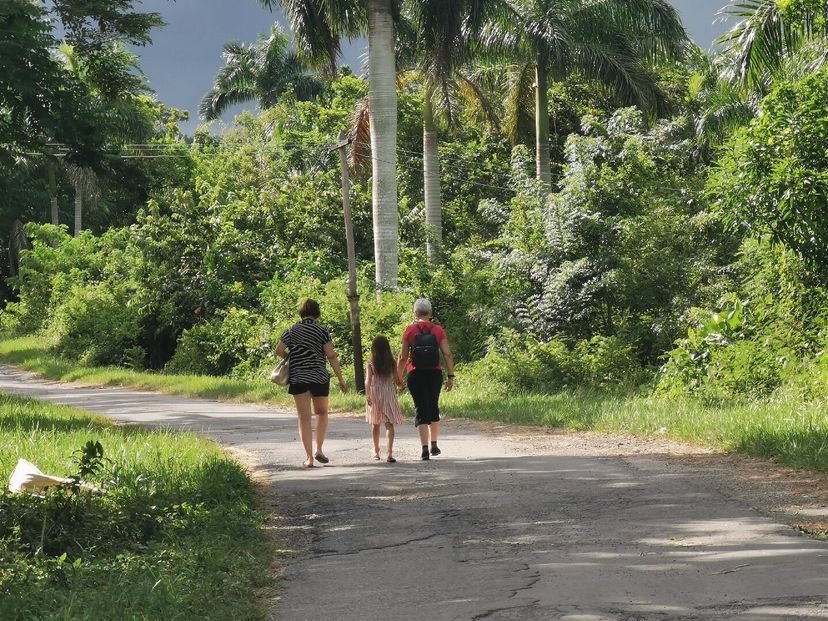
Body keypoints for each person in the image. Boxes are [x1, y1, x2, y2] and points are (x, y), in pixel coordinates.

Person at [275, 299, 348, 468]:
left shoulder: (292, 330)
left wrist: (290, 357)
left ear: (301, 313)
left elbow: (278, 350)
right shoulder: (322, 331)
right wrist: (341, 379)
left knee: (304, 417)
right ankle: (319, 449)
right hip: (319, 377)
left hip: (298, 377)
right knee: (322, 413)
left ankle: (309, 458)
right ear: (317, 313)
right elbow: (331, 355)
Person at [397, 298, 455, 461]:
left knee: (420, 409)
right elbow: (447, 354)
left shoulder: (409, 330)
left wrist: (399, 377)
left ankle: (424, 449)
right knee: (433, 406)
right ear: (430, 313)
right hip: (434, 374)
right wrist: (450, 376)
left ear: (415, 312)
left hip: (415, 374)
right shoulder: (438, 330)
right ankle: (434, 444)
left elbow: (403, 357)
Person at [365, 335, 405, 463]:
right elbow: (398, 382)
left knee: (375, 423)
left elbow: (368, 381)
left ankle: (376, 452)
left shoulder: (371, 363)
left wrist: (367, 395)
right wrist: (401, 383)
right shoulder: (392, 362)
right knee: (389, 424)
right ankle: (389, 454)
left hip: (375, 392)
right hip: (388, 393)